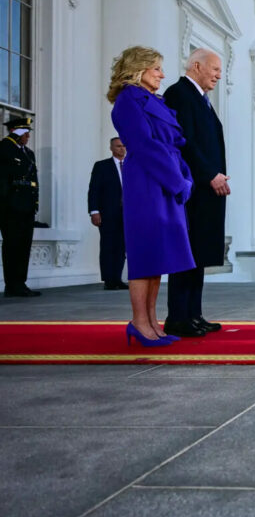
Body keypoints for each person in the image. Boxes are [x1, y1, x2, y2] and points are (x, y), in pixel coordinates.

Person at [109, 46, 194, 346]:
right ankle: (139, 323)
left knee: (158, 255)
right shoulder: (128, 100)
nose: (162, 74)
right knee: (145, 254)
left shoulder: (153, 100)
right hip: (147, 181)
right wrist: (177, 181)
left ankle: (152, 322)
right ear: (139, 68)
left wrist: (184, 177)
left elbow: (175, 144)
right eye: (156, 68)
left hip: (166, 178)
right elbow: (144, 145)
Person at [162, 48, 229, 338]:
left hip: (206, 189)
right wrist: (209, 174)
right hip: (192, 189)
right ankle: (178, 317)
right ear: (197, 66)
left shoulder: (200, 98)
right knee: (186, 253)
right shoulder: (179, 93)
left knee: (198, 254)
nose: (218, 75)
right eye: (215, 69)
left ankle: (194, 314)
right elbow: (184, 141)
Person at [0, 116, 41, 297]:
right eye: (24, 132)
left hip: (27, 205)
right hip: (11, 206)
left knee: (24, 245)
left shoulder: (28, 153)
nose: (27, 136)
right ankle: (12, 285)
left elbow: (34, 180)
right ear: (14, 131)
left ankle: (20, 283)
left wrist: (35, 202)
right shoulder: (4, 148)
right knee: (12, 245)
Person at [88, 137, 129, 289]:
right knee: (108, 245)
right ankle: (108, 280)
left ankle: (117, 278)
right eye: (118, 146)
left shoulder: (132, 165)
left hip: (127, 214)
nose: (122, 149)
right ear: (111, 148)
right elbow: (94, 190)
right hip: (108, 213)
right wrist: (94, 211)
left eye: (124, 146)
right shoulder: (102, 166)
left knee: (121, 247)